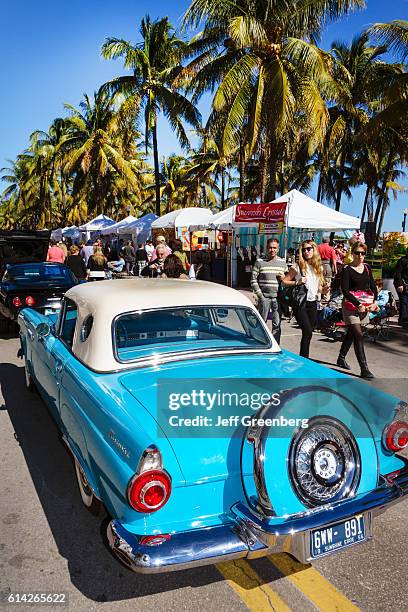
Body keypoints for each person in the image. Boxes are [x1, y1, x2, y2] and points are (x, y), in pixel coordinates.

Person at [336, 242, 378, 379]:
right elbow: (345, 290)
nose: (360, 256)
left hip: (365, 305)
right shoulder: (347, 269)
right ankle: (364, 369)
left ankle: (341, 358)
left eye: (363, 253)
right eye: (357, 253)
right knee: (358, 334)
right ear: (352, 253)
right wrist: (357, 303)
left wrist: (375, 302)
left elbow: (373, 286)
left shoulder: (367, 268)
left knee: (352, 334)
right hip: (350, 306)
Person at [282, 241, 328, 358]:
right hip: (300, 303)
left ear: (314, 249)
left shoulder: (318, 267)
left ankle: (303, 358)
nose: (306, 252)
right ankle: (304, 359)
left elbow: (318, 288)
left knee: (308, 333)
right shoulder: (298, 267)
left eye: (308, 249)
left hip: (313, 303)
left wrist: (324, 290)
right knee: (307, 331)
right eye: (303, 250)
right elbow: (284, 282)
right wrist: (297, 281)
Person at [250, 238, 286, 344]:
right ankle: (260, 344)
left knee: (277, 324)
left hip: (278, 298)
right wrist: (260, 295)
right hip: (264, 297)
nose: (272, 250)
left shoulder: (282, 262)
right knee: (261, 323)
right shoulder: (259, 262)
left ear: (278, 249)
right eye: (270, 247)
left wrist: (284, 277)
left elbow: (287, 280)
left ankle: (275, 346)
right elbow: (253, 280)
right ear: (266, 248)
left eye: (274, 248)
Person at [394, 247, 408, 327]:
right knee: (404, 302)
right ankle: (404, 321)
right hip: (401, 284)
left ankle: (402, 319)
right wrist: (400, 285)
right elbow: (398, 273)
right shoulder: (403, 260)